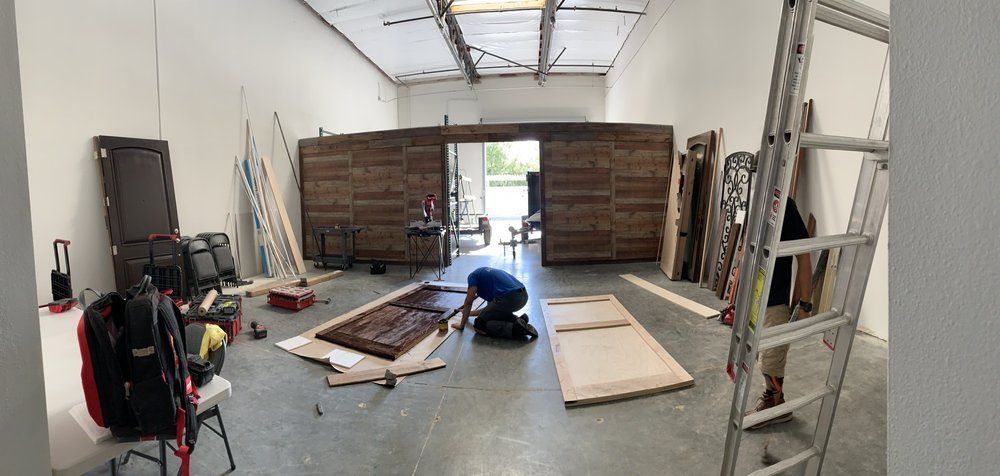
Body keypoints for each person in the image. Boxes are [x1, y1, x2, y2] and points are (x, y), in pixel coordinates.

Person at [746, 197, 813, 429]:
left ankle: (775, 406)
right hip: (755, 297)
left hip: (776, 299)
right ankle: (775, 400)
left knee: (772, 358)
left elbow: (804, 256)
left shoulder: (785, 205)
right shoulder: (758, 202)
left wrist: (805, 304)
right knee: (760, 355)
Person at [453, 267, 537, 340]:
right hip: (523, 296)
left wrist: (461, 325)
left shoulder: (472, 277)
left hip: (510, 298)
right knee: (493, 315)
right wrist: (467, 313)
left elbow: (468, 302)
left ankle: (515, 329)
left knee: (480, 325)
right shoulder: (488, 279)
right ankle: (518, 320)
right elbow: (489, 310)